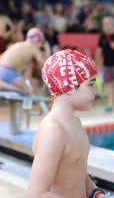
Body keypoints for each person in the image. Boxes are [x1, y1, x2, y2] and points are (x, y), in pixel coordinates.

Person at [27, 49, 108, 198]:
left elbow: (76, 172)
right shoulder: (54, 131)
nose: (96, 91)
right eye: (90, 84)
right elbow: (36, 194)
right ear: (69, 87)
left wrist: (95, 193)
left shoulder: (75, 122)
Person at [0, 27, 50, 94]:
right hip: (5, 69)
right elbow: (46, 63)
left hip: (0, 67)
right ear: (38, 40)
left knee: (28, 65)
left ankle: (5, 85)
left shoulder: (23, 45)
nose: (41, 45)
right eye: (42, 42)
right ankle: (1, 84)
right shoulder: (32, 47)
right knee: (27, 90)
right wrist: (47, 49)